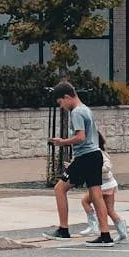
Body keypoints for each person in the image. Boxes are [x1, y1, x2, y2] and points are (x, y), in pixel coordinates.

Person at [47, 81, 117, 244]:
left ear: (66, 97)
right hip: (95, 155)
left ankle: (63, 230)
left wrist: (62, 142)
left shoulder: (76, 112)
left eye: (61, 103)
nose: (61, 107)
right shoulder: (86, 109)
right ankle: (105, 235)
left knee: (59, 189)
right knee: (96, 194)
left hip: (84, 156)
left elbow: (80, 137)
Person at [76, 153, 128, 243]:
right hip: (110, 183)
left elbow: (107, 166)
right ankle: (122, 234)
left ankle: (93, 226)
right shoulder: (91, 152)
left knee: (85, 201)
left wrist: (94, 170)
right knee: (109, 210)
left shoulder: (97, 152)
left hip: (102, 185)